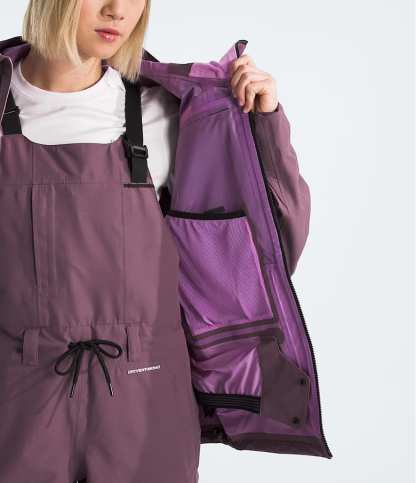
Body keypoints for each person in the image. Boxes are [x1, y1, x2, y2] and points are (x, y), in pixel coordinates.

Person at [0, 1, 286, 482]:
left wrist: (262, 125)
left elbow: (259, 252)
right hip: (16, 402)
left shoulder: (172, 114)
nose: (117, 10)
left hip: (145, 397)